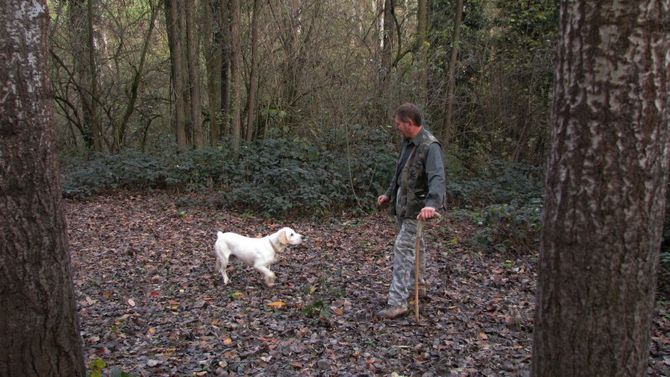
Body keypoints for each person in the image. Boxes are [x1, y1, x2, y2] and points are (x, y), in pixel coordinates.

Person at [376, 103, 446, 319]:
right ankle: (418, 287)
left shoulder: (430, 146)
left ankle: (397, 302)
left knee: (403, 249)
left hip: (418, 208)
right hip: (403, 206)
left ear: (409, 123)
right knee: (418, 246)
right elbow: (401, 172)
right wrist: (388, 193)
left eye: (398, 123)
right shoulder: (407, 143)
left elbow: (437, 177)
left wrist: (432, 204)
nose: (396, 127)